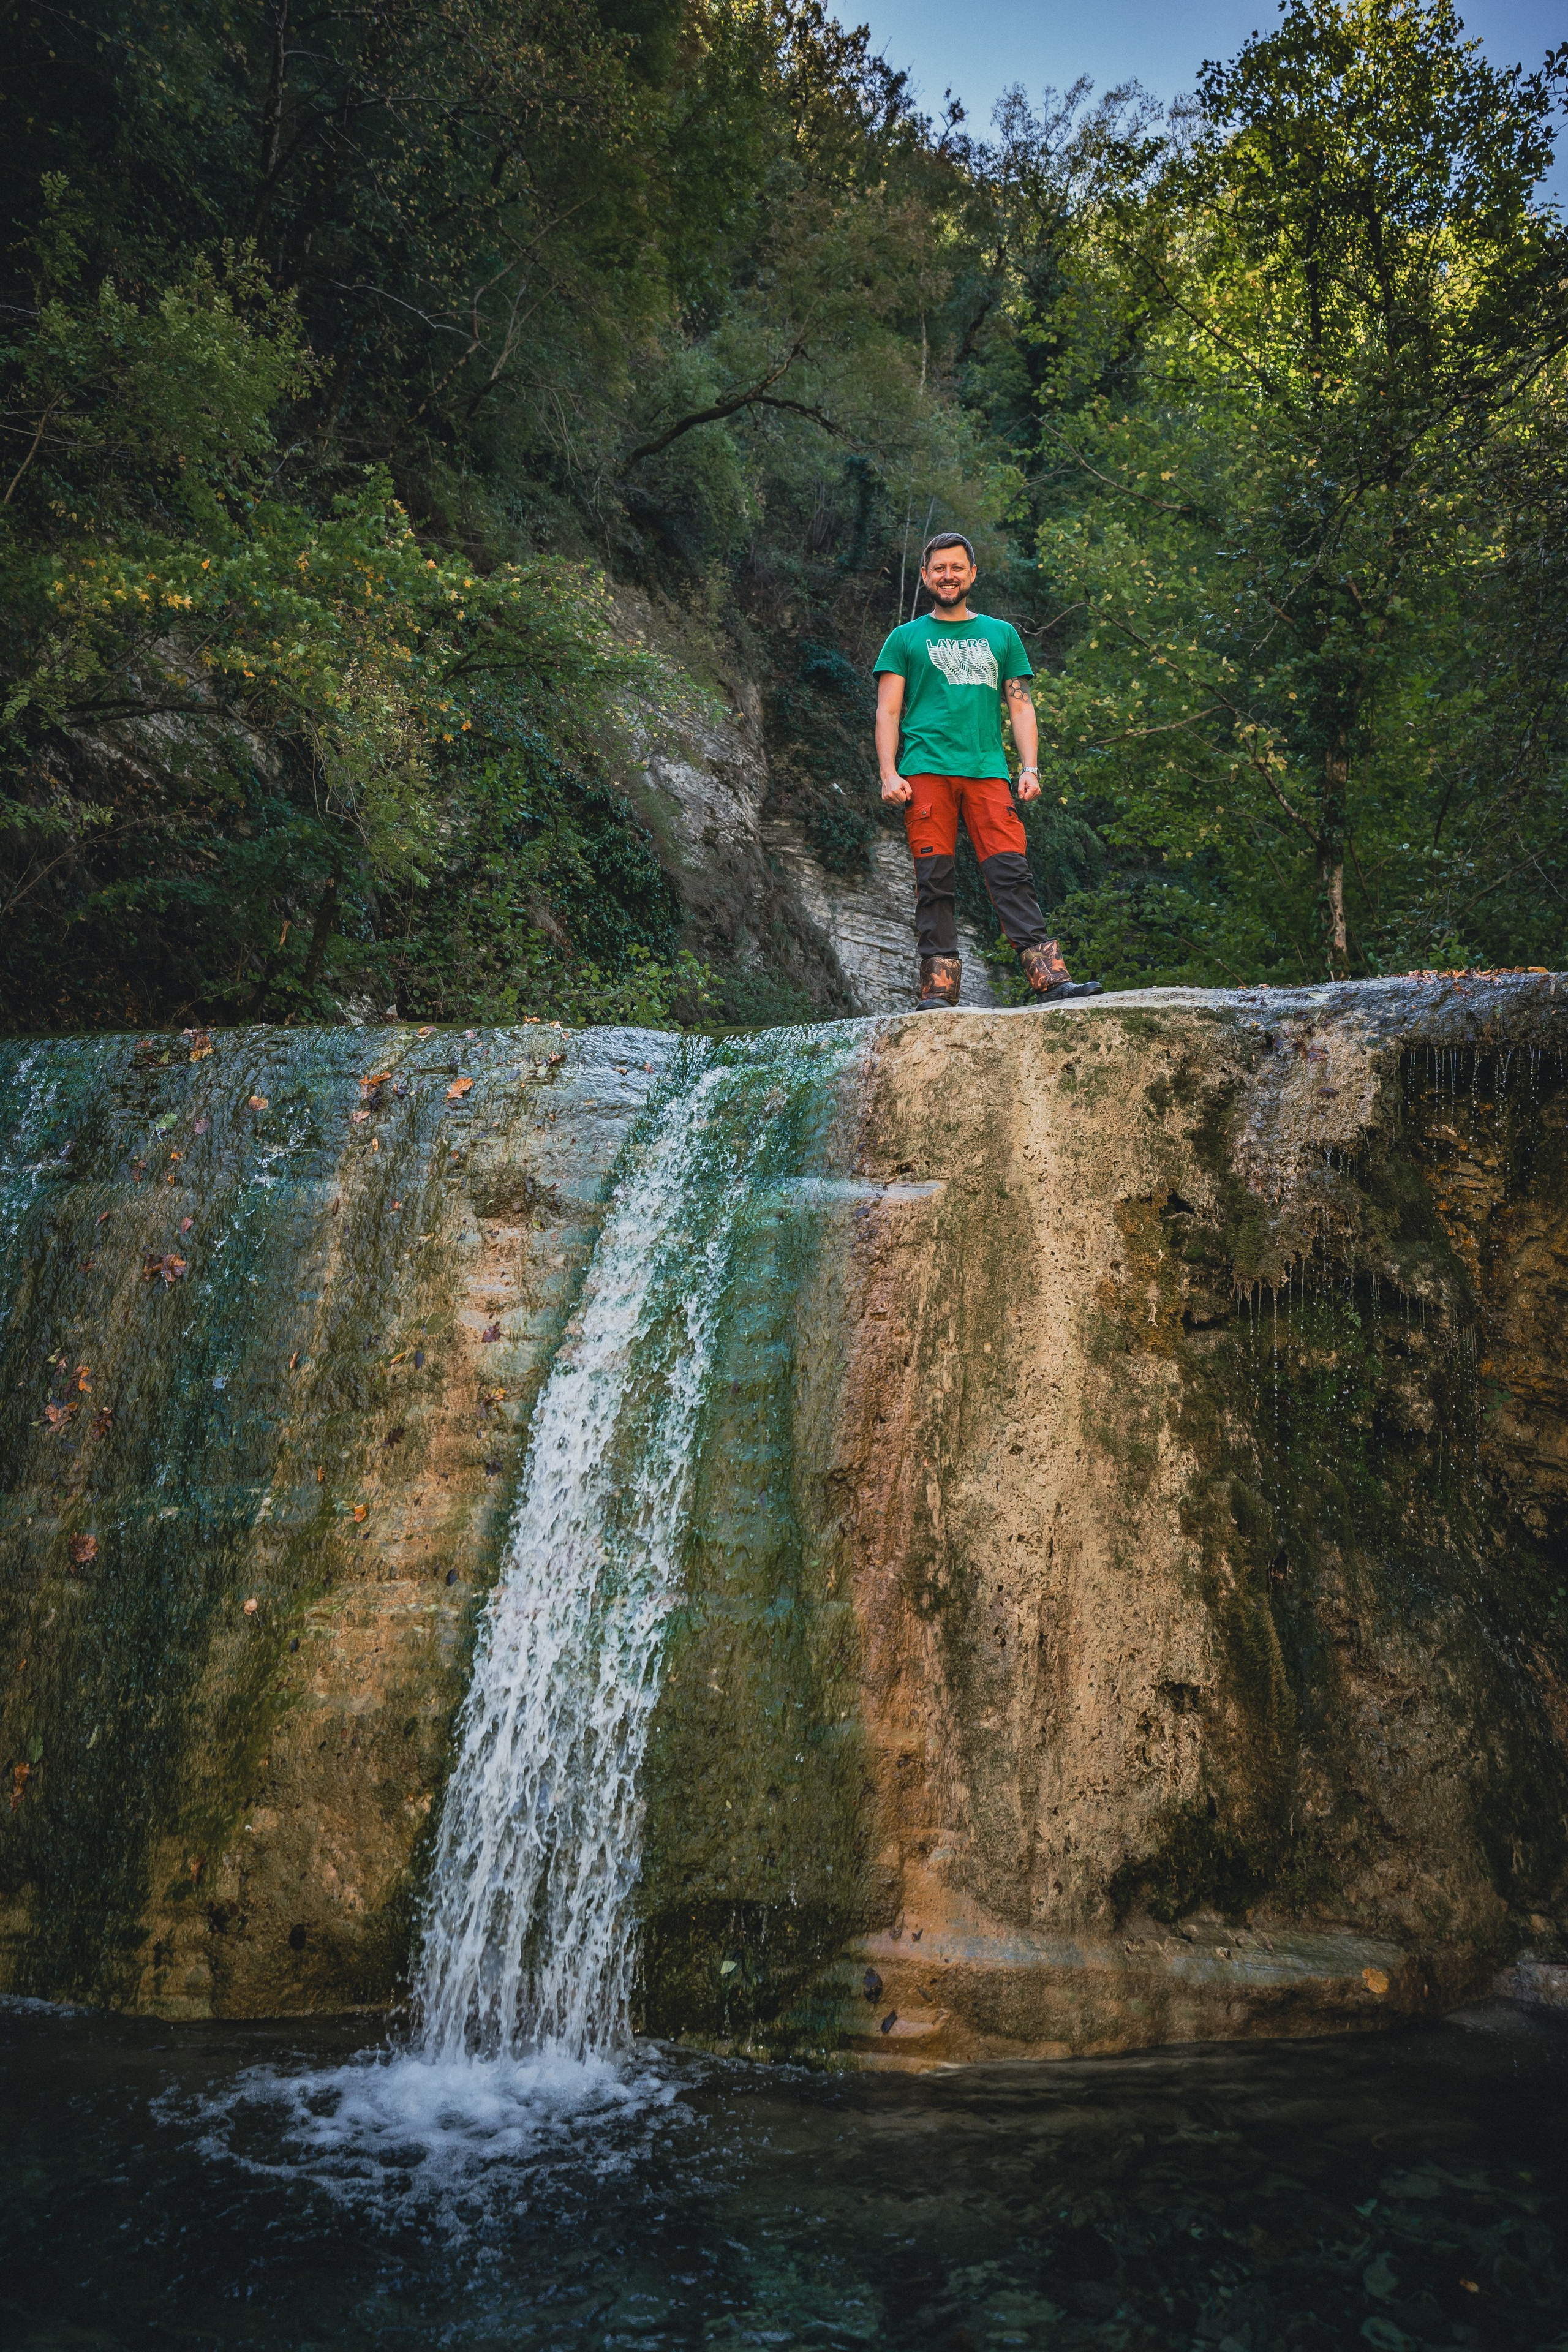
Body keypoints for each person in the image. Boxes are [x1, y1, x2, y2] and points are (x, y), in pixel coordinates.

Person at [874, 532, 1104, 1009]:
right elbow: (888, 712)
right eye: (939, 568)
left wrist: (1030, 767)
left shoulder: (1002, 635)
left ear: (972, 574)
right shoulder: (904, 639)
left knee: (1011, 873)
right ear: (925, 576)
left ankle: (1051, 982)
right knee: (933, 880)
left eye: (957, 567)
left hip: (987, 771)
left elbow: (1021, 707)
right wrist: (888, 773)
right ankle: (938, 993)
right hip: (926, 772)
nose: (948, 576)